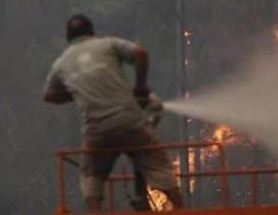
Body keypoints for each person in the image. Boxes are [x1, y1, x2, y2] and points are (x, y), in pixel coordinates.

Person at [43, 14, 184, 211]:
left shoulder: (61, 63)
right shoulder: (107, 44)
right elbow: (140, 53)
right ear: (92, 32)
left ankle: (95, 210)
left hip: (96, 129)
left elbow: (49, 95)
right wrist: (141, 87)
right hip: (130, 120)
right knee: (159, 167)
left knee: (92, 174)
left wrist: (77, 93)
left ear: (68, 38)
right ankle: (182, 209)